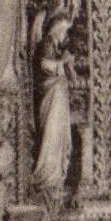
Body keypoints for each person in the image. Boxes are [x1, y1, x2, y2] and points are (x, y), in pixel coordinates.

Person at [32, 11, 75, 195]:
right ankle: (47, 174)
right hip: (51, 98)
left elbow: (72, 78)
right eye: (64, 31)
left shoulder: (56, 49)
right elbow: (44, 65)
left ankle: (54, 176)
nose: (65, 36)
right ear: (57, 30)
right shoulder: (46, 44)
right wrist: (62, 61)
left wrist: (68, 64)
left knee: (59, 136)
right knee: (51, 133)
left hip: (58, 101)